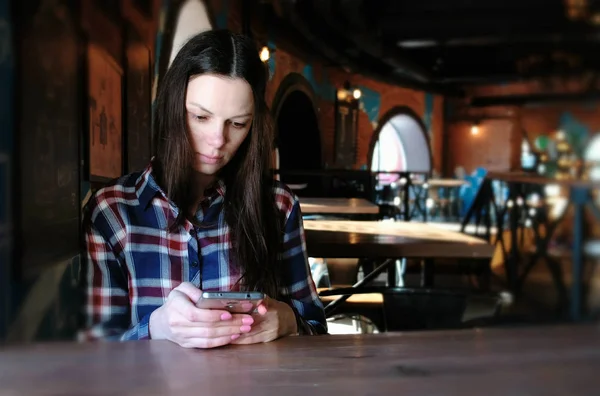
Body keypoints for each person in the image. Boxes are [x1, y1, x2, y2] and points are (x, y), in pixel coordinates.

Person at [79, 29, 327, 348]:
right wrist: (155, 327)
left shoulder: (279, 206)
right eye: (200, 117)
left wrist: (288, 319)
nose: (218, 140)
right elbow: (91, 359)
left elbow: (317, 328)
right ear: (172, 108)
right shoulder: (112, 211)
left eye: (237, 124)